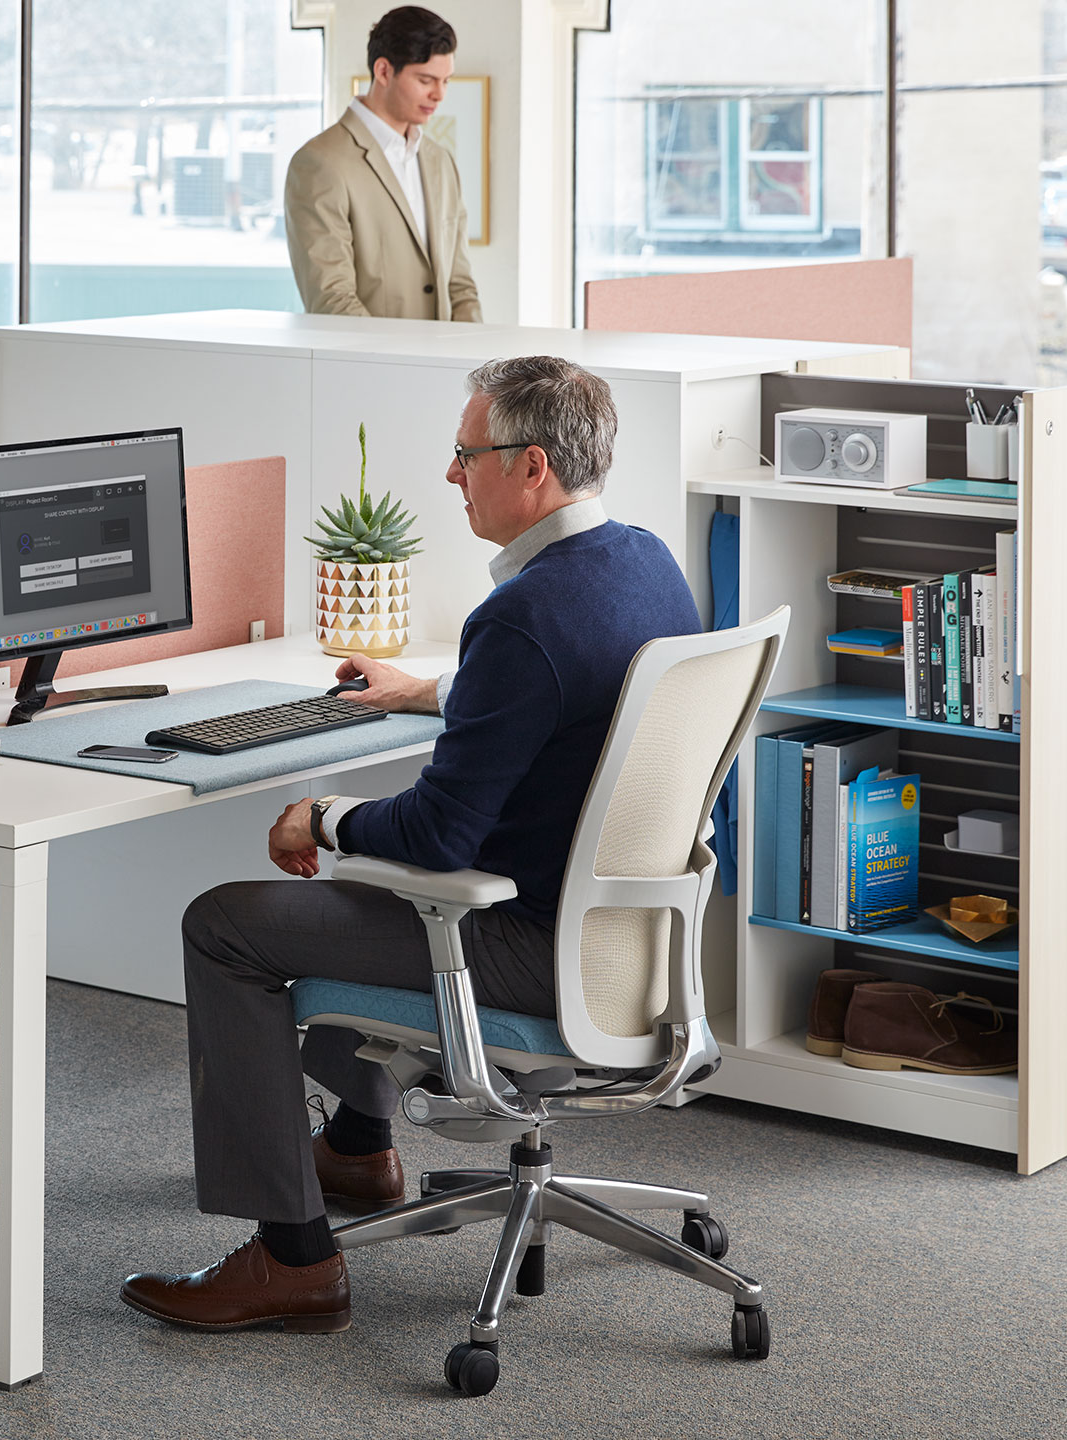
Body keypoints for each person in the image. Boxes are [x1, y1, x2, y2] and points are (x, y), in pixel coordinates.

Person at [119, 356, 699, 1334]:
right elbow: (567, 691)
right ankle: (355, 1145)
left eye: (466, 454)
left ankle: (292, 1260)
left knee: (225, 926)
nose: (450, 473)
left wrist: (323, 817)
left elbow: (437, 834)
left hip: (530, 944)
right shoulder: (642, 563)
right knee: (373, 906)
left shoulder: (520, 617)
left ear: (529, 468)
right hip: (628, 941)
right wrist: (429, 690)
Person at [283, 6, 481, 323]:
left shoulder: (441, 161)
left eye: (446, 81)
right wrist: (396, 354)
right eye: (426, 80)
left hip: (449, 354)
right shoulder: (319, 163)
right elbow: (332, 298)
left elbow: (460, 286)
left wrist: (470, 350)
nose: (439, 94)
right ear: (384, 71)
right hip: (367, 355)